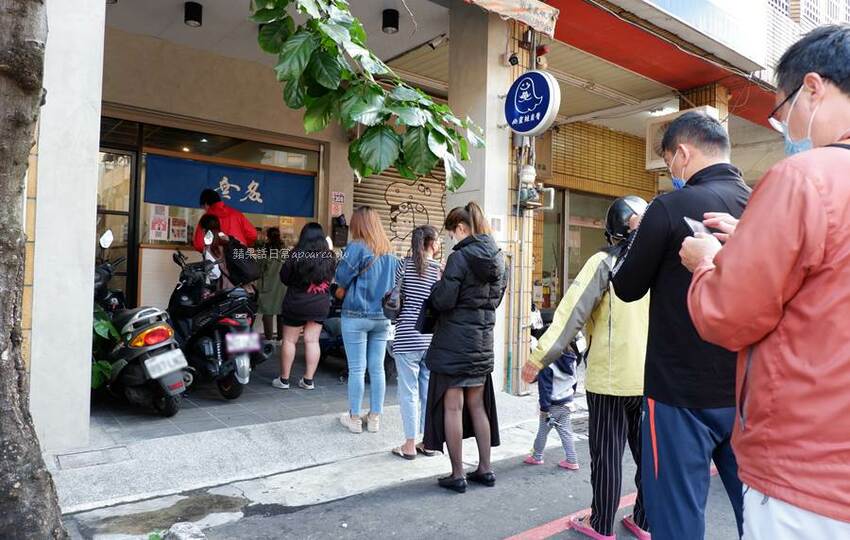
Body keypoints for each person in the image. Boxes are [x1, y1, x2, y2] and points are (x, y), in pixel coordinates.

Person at [680, 25, 850, 538]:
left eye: (784, 108)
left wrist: (707, 263)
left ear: (814, 88)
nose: (786, 124)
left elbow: (728, 316)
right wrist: (753, 242)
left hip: (803, 468)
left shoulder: (804, 178)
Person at [610, 111, 750, 540]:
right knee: (758, 513)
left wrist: (638, 233)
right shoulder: (761, 204)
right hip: (749, 392)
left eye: (669, 160)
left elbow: (626, 287)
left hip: (678, 394)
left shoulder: (668, 207)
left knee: (677, 519)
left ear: (683, 154)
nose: (671, 170)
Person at [522, 196, 651, 540]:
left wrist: (538, 358)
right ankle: (644, 521)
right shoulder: (661, 266)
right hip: (651, 379)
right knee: (649, 456)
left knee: (607, 455)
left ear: (613, 232)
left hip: (610, 378)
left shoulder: (604, 263)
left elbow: (570, 315)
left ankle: (601, 524)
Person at [423, 202, 508, 493]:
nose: (451, 240)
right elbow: (494, 301)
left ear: (461, 228)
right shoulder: (500, 258)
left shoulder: (460, 258)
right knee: (478, 405)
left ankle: (457, 473)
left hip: (454, 344)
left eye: (451, 234)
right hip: (482, 344)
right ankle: (485, 469)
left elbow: (444, 300)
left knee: (453, 406)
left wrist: (438, 284)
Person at [334, 207, 399, 434]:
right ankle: (374, 418)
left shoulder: (356, 247)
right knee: (377, 368)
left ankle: (353, 418)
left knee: (357, 369)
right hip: (382, 317)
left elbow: (341, 277)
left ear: (359, 224)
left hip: (356, 315)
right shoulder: (390, 251)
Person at [390, 225, 442, 460]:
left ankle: (409, 445)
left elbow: (394, 296)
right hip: (430, 338)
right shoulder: (439, 271)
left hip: (406, 337)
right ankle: (428, 443)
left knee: (408, 392)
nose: (440, 245)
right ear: (431, 244)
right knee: (427, 392)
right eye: (438, 241)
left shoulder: (404, 266)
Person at [273, 223, 335, 391]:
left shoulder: (296, 254)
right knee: (312, 340)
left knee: (289, 340)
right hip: (319, 304)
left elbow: (284, 278)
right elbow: (331, 279)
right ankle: (308, 380)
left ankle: (284, 380)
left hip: (296, 303)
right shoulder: (329, 256)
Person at [522, 351, 579, 471]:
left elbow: (545, 389)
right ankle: (572, 460)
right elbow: (574, 380)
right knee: (566, 433)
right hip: (566, 403)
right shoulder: (572, 359)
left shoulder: (548, 364)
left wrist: (544, 408)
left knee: (542, 432)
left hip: (551, 407)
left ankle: (536, 456)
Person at [193, 189, 257, 253]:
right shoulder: (236, 214)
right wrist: (241, 244)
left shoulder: (207, 218)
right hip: (239, 256)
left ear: (206, 204)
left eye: (204, 208)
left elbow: (199, 244)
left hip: (219, 257)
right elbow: (253, 234)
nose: (205, 210)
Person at [257, 227, 287, 341]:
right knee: (281, 313)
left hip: (267, 285)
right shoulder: (284, 250)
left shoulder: (264, 250)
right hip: (282, 285)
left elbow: (259, 268)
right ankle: (280, 339)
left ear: (268, 236)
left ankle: (269, 339)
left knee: (268, 313)